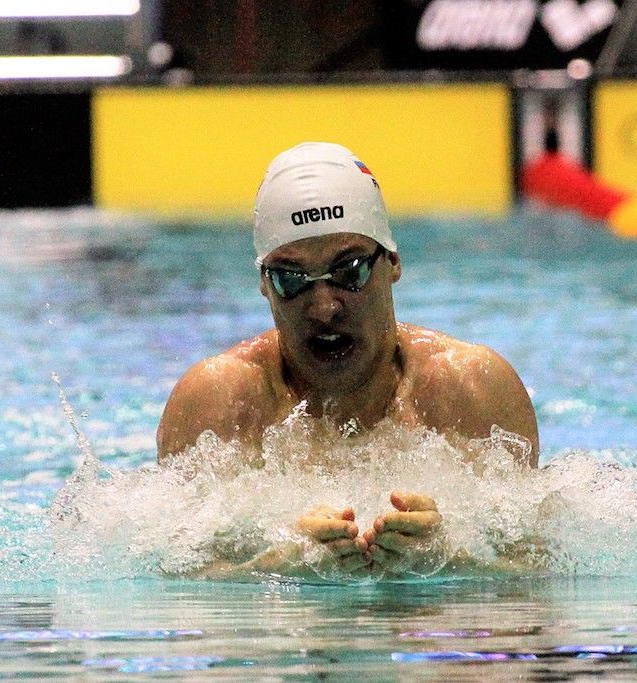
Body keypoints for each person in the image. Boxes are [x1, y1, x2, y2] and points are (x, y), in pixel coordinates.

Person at [157, 142, 539, 578]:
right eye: (291, 279)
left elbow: (540, 577)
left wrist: (448, 559)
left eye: (350, 271)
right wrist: (279, 567)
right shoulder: (218, 404)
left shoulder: (471, 390)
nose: (324, 308)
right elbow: (171, 579)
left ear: (392, 263)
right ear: (264, 284)